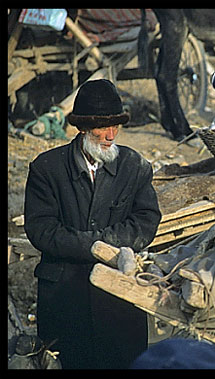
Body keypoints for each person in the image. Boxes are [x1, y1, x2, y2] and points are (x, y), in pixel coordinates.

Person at [24, 79, 162, 369]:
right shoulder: (47, 168)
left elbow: (146, 222)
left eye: (116, 126)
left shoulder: (135, 167)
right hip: (64, 298)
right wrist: (93, 246)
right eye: (102, 127)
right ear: (83, 126)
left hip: (118, 298)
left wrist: (104, 243)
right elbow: (41, 230)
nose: (110, 135)